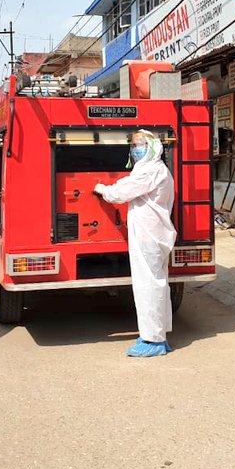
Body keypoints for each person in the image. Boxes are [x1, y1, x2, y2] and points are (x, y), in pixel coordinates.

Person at [93, 130, 177, 357]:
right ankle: (158, 335)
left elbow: (120, 193)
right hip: (155, 235)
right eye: (133, 145)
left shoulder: (150, 170)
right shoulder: (158, 170)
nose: (135, 148)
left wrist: (101, 189)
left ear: (153, 147)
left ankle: (152, 341)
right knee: (158, 284)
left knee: (147, 286)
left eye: (140, 144)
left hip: (148, 237)